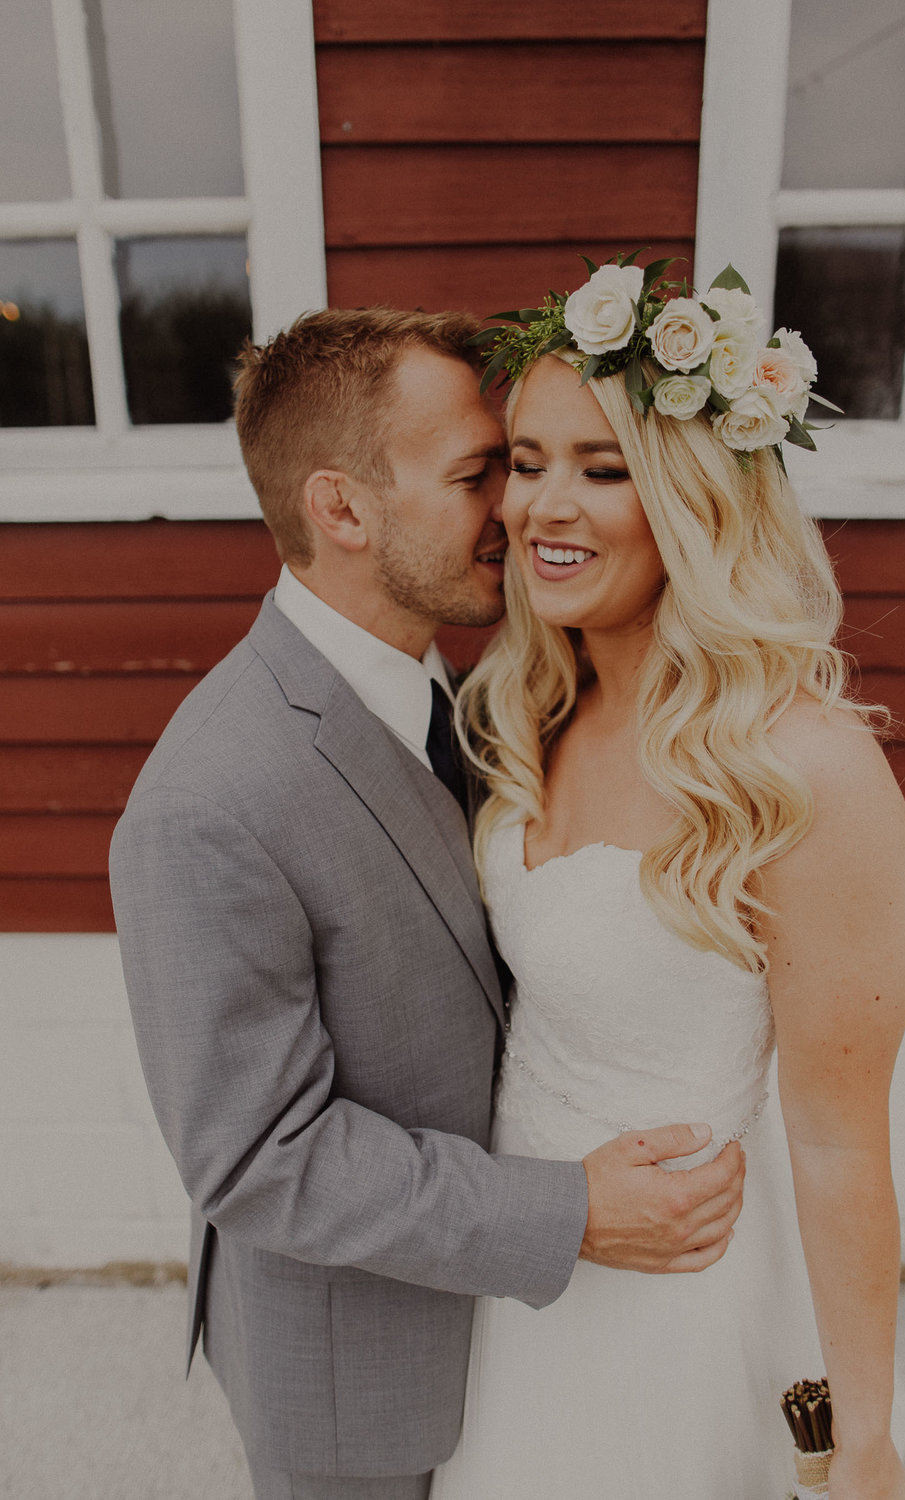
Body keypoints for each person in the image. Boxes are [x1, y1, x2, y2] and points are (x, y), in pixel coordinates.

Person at [108, 306, 748, 1500]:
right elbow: (256, 1156)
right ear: (342, 509)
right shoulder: (206, 803)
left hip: (524, 1351)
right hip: (364, 1381)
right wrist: (568, 1210)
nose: (513, 508)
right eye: (477, 474)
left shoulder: (456, 689)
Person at [430, 261, 905, 1499]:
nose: (543, 506)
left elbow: (835, 1140)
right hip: (520, 1283)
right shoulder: (526, 708)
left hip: (680, 1313)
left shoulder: (803, 771)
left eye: (603, 469)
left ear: (696, 501)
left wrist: (858, 1442)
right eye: (526, 460)